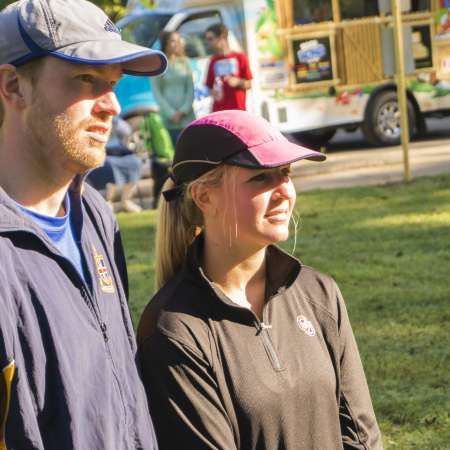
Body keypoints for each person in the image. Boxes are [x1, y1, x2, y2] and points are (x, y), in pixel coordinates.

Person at [137, 110, 383, 450]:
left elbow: (361, 435)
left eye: (285, 173)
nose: (283, 191)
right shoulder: (174, 330)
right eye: (262, 178)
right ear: (205, 197)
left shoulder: (319, 293)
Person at [0, 0, 167, 448]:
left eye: (113, 84)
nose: (112, 105)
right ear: (14, 86)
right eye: (87, 80)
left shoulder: (95, 215)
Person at [87, 116, 144, 213]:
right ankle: (108, 202)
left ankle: (126, 201)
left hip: (119, 152)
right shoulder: (92, 122)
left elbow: (127, 132)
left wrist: (115, 125)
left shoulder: (115, 122)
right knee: (108, 166)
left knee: (135, 162)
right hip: (103, 153)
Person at [152, 31, 196, 146]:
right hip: (169, 121)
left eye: (178, 40)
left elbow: (190, 89)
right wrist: (171, 114)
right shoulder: (159, 65)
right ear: (165, 43)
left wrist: (183, 110)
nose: (176, 43)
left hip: (188, 118)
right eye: (172, 41)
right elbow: (157, 93)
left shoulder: (185, 62)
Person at [205, 23, 253, 112]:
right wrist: (214, 93)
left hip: (238, 110)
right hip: (219, 112)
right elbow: (209, 87)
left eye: (211, 39)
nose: (208, 42)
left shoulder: (240, 57)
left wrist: (238, 82)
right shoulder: (213, 61)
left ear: (222, 37)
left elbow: (249, 84)